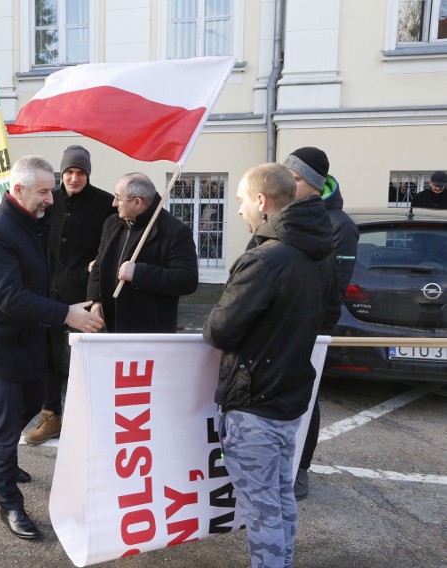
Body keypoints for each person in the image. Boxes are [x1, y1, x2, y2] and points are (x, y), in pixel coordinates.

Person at [203, 163, 337, 568]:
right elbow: (327, 315)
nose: (239, 209)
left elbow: (220, 330)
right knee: (278, 500)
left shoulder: (265, 258)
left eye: (241, 200)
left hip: (255, 402)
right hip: (288, 399)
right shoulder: (317, 252)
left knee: (262, 510)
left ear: (261, 201)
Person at [0, 154, 104, 540]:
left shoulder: (32, 221)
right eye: (45, 191)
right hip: (5, 346)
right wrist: (66, 314)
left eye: (51, 190)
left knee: (32, 407)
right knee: (7, 424)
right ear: (18, 189)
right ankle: (9, 503)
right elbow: (10, 297)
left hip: (34, 338)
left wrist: (70, 304)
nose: (52, 198)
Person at [24, 145, 115, 446]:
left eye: (80, 172)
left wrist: (100, 268)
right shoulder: (48, 198)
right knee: (47, 357)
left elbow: (113, 241)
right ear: (61, 173)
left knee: (80, 358)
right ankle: (51, 415)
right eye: (69, 172)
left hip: (83, 292)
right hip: (47, 290)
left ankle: (84, 418)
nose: (74, 178)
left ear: (87, 174)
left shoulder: (105, 203)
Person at [283, 146, 359, 500]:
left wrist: (313, 335)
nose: (289, 184)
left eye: (295, 179)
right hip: (281, 328)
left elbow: (334, 292)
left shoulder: (340, 226)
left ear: (315, 184)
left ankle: (301, 468)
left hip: (311, 332)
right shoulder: (284, 214)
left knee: (307, 400)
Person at [87, 172, 199, 332]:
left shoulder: (175, 231)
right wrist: (95, 301)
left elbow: (187, 280)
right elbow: (99, 265)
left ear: (138, 202)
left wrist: (139, 273)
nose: (113, 203)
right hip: (111, 328)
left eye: (118, 198)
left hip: (148, 333)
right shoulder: (112, 223)